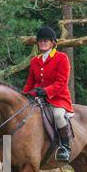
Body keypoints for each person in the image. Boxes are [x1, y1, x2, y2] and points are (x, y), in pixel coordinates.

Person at [22, 25, 74, 161]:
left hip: (58, 98)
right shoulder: (35, 61)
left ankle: (65, 147)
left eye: (46, 40)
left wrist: (45, 91)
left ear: (53, 43)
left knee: (57, 116)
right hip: (38, 99)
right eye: (40, 41)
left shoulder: (61, 58)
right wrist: (24, 96)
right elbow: (30, 82)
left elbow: (62, 82)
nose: (43, 43)